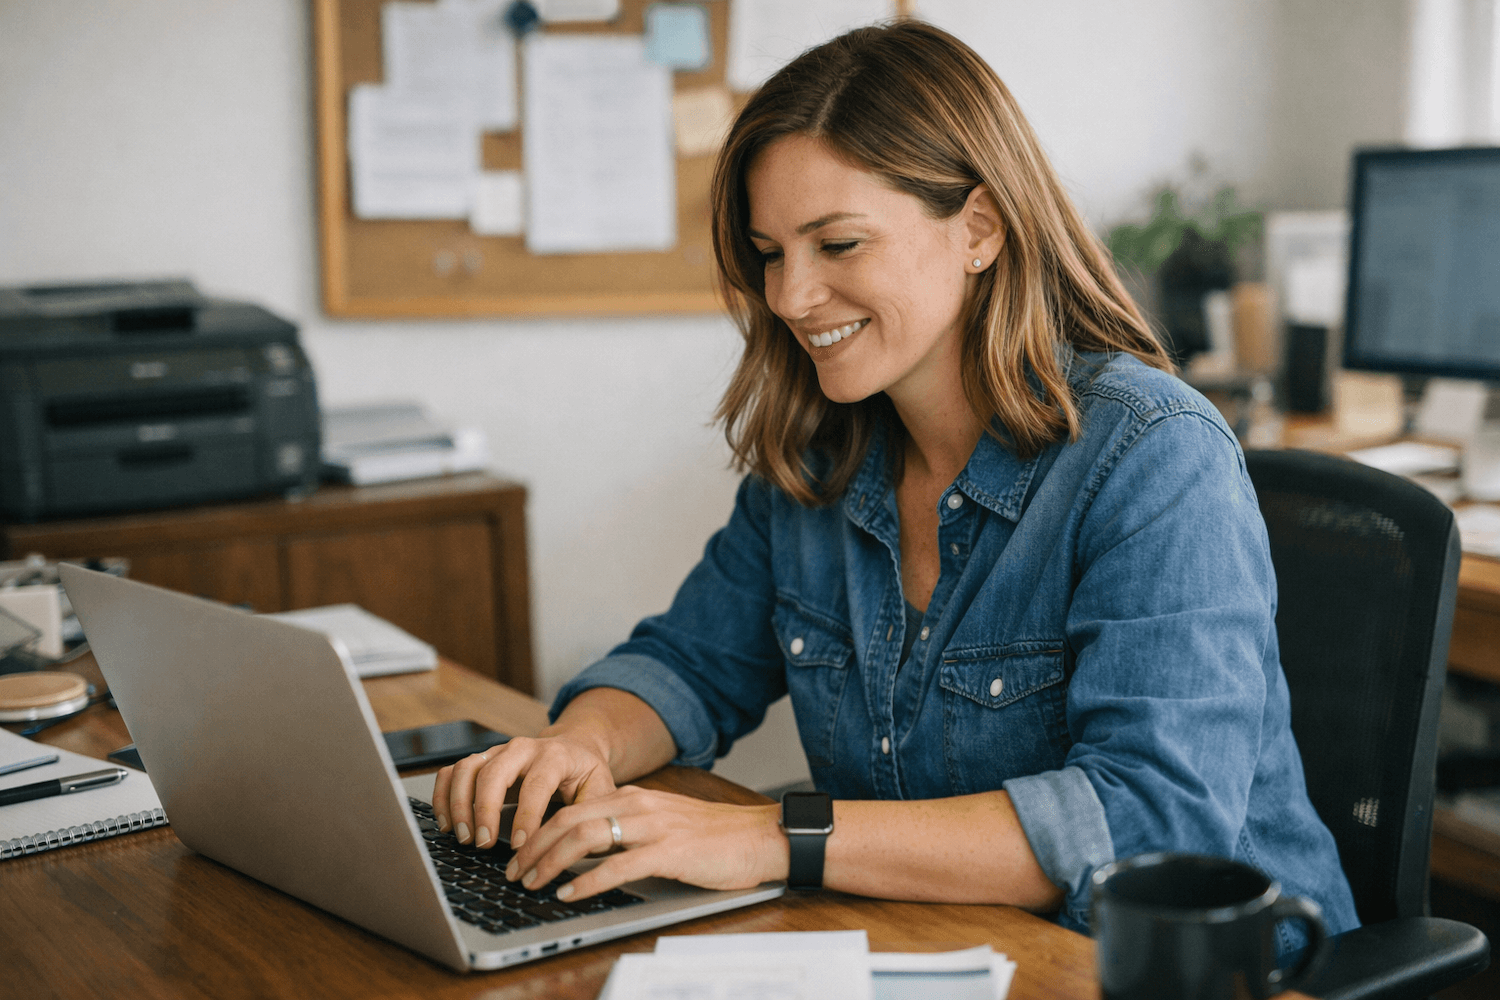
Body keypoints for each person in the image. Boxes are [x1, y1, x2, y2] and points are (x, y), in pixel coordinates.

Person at [432, 20, 1359, 945]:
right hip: (937, 944)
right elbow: (690, 662)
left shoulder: (1153, 454)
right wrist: (575, 746)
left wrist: (775, 837)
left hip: (1198, 970)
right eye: (769, 253)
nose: (791, 297)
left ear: (980, 231)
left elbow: (1147, 823)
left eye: (837, 245)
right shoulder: (818, 455)